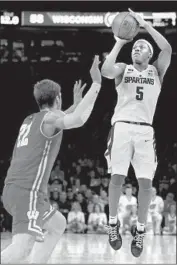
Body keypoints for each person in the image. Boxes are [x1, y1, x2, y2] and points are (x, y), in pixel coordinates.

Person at [1, 55, 102, 264]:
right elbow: (78, 120)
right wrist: (97, 84)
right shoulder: (48, 120)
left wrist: (76, 104)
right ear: (57, 99)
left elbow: (62, 118)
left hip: (18, 190)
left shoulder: (31, 119)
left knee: (57, 224)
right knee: (20, 250)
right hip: (26, 192)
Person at [102, 8, 172, 257]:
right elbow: (105, 71)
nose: (137, 49)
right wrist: (120, 42)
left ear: (150, 54)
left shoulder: (156, 71)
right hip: (121, 126)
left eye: (141, 47)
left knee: (146, 183)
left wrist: (145, 25)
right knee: (116, 179)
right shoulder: (123, 68)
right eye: (135, 47)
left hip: (144, 130)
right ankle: (113, 224)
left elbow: (168, 50)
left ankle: (140, 230)